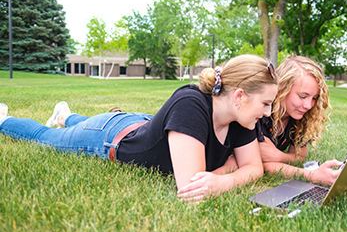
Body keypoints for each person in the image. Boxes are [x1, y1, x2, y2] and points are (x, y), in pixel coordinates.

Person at [0, 54, 277, 202]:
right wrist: (229, 168)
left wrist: (224, 179)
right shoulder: (191, 105)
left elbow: (254, 168)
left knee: (75, 125)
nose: (268, 113)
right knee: (46, 137)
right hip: (111, 136)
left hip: (141, 123)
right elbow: (192, 185)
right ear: (239, 96)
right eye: (265, 103)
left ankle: (66, 115)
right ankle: (4, 120)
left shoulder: (241, 118)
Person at [256, 55, 342, 186]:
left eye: (314, 98)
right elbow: (263, 164)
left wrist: (280, 157)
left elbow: (299, 157)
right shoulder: (261, 112)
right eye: (303, 96)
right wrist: (311, 175)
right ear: (282, 88)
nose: (308, 105)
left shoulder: (301, 119)